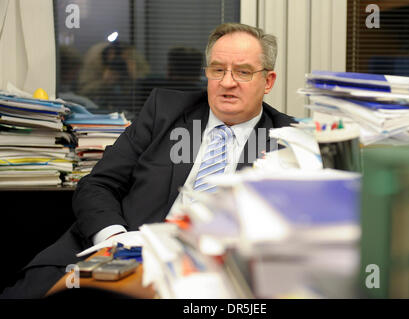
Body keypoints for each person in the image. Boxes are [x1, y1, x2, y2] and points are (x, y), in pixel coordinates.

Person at [0, 22, 295, 298]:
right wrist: (116, 241)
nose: (227, 82)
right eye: (217, 70)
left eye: (242, 72)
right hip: (117, 255)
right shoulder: (164, 111)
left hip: (210, 276)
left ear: (268, 81)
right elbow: (98, 185)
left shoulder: (289, 140)